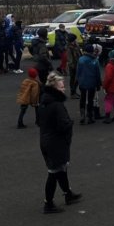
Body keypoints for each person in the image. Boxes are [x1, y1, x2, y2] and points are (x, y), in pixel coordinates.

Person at [38, 72, 82, 214]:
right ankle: (48, 203)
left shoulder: (43, 102)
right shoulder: (57, 105)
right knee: (54, 172)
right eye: (62, 87)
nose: (64, 89)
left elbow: (39, 122)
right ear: (55, 89)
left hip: (46, 140)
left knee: (61, 169)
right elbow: (63, 125)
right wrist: (70, 123)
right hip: (55, 143)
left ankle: (67, 193)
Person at [76, 43, 102, 124]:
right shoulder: (95, 60)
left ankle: (82, 116)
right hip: (92, 82)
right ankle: (90, 116)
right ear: (92, 51)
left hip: (82, 82)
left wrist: (77, 82)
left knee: (82, 99)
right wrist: (99, 84)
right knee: (90, 100)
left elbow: (78, 72)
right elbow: (98, 74)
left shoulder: (80, 60)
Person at [66, 33, 82, 98]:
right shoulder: (69, 48)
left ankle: (74, 91)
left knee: (77, 79)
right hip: (73, 66)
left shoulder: (75, 46)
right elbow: (70, 58)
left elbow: (79, 54)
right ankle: (73, 93)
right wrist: (72, 66)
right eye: (75, 39)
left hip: (77, 64)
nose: (76, 40)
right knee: (73, 79)